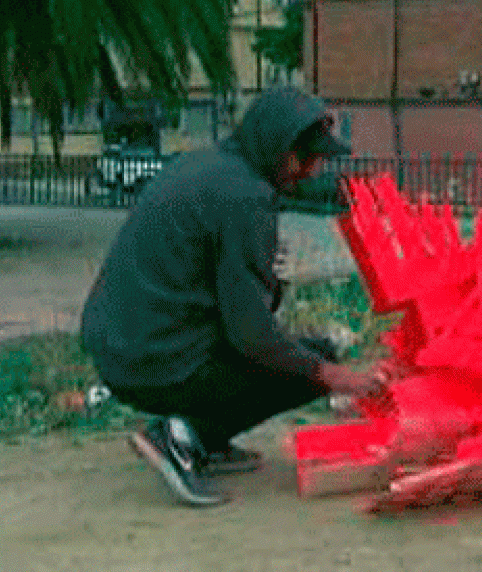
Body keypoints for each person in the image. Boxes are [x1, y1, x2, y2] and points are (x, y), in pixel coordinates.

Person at [81, 87, 384, 507]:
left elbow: (238, 302)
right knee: (313, 362)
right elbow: (252, 337)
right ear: (279, 147)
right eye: (307, 157)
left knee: (308, 356)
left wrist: (270, 286)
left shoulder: (218, 168)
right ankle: (181, 436)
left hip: (126, 343)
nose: (313, 171)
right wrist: (338, 377)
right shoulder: (246, 198)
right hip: (151, 356)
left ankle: (207, 438)